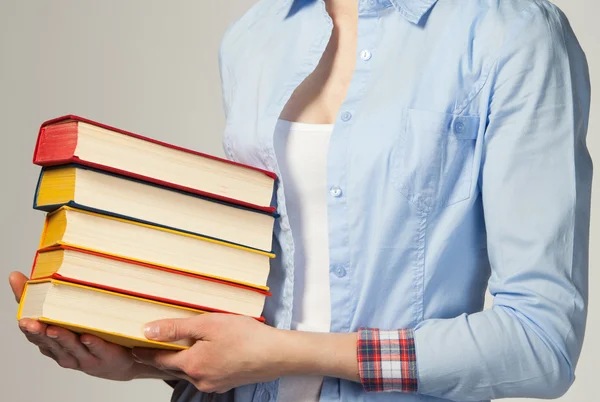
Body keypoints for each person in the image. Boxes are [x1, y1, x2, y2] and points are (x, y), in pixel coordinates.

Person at [11, 0, 592, 401]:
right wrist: (139, 360)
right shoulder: (255, 35)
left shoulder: (511, 34)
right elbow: (256, 321)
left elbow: (540, 343)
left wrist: (293, 354)